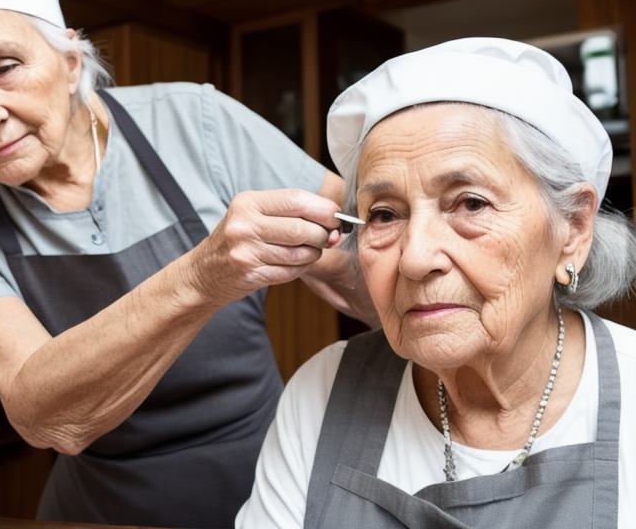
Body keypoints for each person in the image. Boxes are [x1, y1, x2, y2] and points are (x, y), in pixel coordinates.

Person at [0, 0, 374, 527]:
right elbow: (45, 414)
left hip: (270, 480)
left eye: (4, 67)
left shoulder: (195, 122)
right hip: (99, 508)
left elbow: (362, 263)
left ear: (70, 61)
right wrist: (204, 273)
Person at [235, 37, 636, 528]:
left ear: (572, 229)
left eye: (470, 203)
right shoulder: (321, 392)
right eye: (384, 214)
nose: (416, 258)